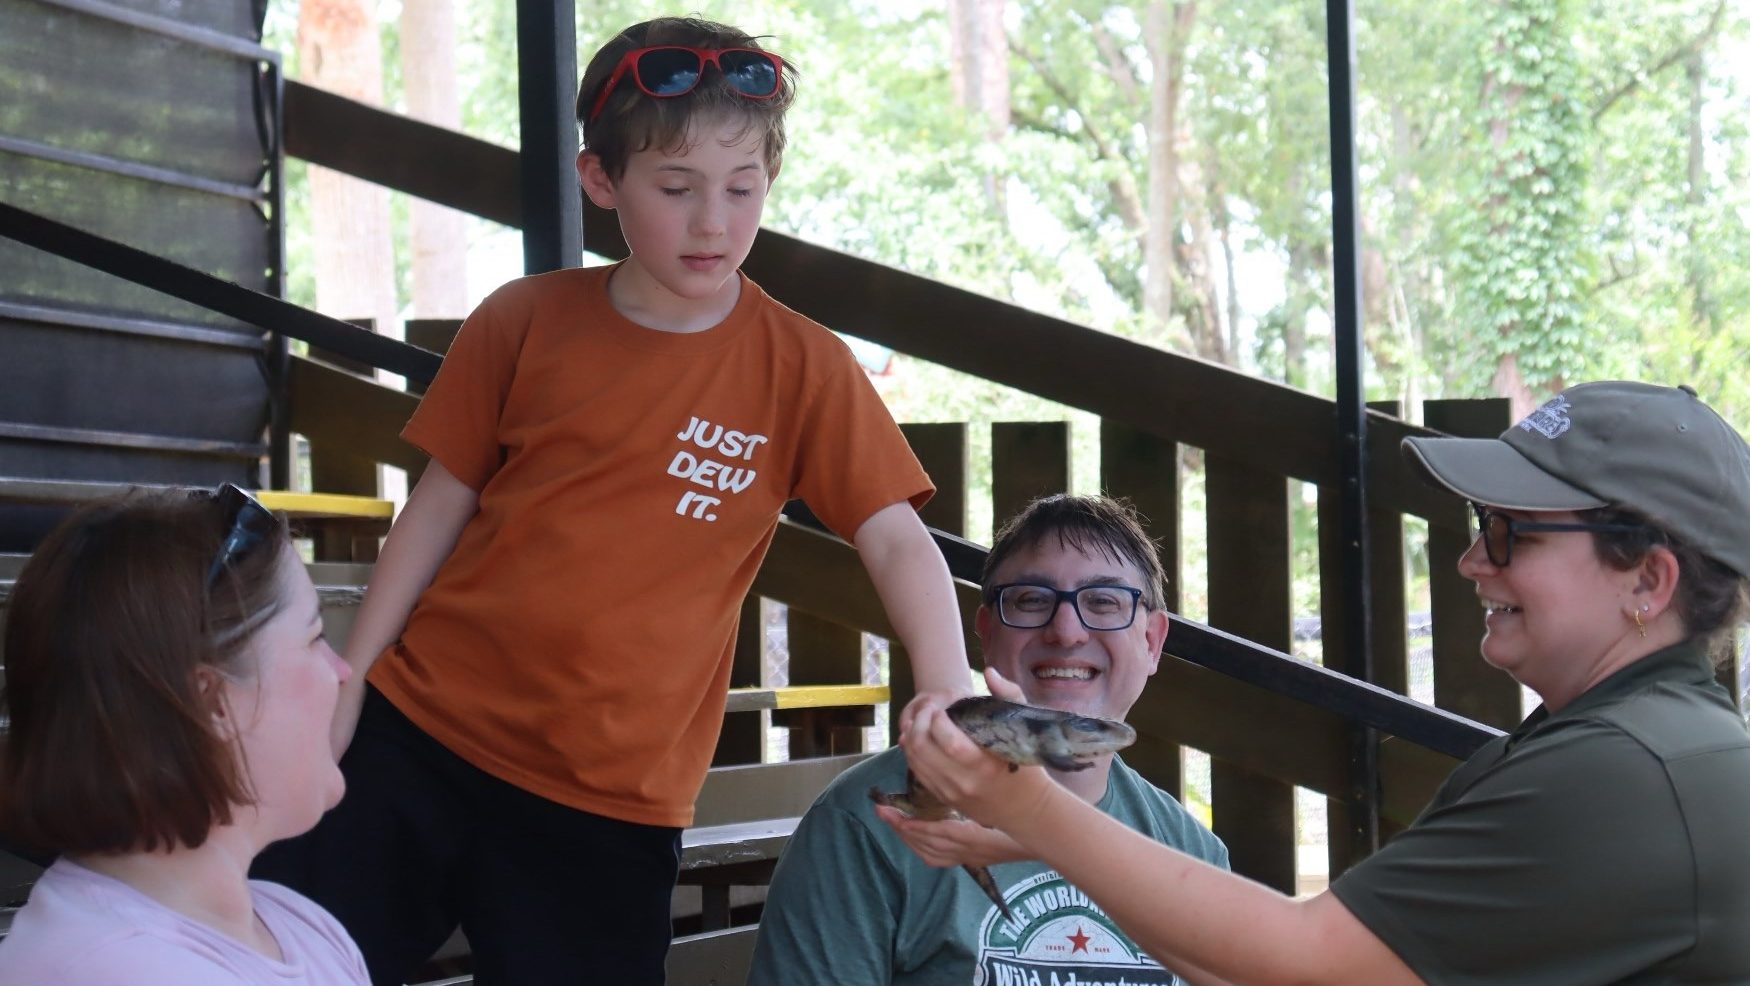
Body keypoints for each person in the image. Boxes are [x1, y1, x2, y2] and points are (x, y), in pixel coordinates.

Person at [253, 15, 973, 985]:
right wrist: (351, 678)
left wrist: (948, 682)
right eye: (675, 189)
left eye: (742, 188)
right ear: (602, 181)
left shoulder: (805, 366)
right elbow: (437, 503)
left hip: (610, 802)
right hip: (421, 734)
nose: (712, 222)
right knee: (278, 962)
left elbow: (893, 536)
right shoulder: (522, 320)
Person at [904, 381, 1750, 985]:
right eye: (1478, 529)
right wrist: (1051, 834)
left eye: (1510, 535)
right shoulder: (1619, 742)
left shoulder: (1628, 772)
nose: (1469, 560)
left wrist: (1030, 810)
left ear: (1647, 580)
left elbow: (1303, 964)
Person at [748, 494, 1227, 985]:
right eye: (1031, 600)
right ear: (986, 632)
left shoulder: (1191, 849)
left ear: (1151, 642)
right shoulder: (866, 823)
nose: (1066, 631)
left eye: (1103, 602)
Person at [0, 487, 366, 985]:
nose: (341, 670)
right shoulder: (114, 969)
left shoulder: (299, 925)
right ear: (211, 701)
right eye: (314, 637)